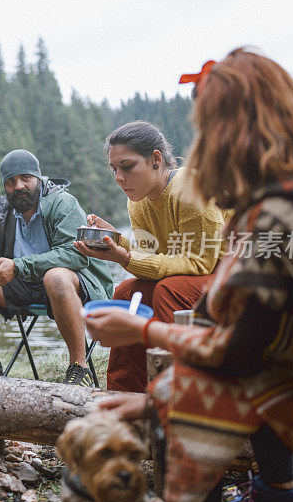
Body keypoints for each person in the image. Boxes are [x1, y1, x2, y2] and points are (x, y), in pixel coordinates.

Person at [85, 48, 293, 502]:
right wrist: (151, 399)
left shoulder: (283, 215)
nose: (203, 146)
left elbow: (244, 347)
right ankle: (275, 495)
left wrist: (145, 335)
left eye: (209, 129)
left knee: (199, 408)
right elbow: (248, 328)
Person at [73, 121, 228, 393]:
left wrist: (124, 258)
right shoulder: (138, 201)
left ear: (156, 159)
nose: (118, 177)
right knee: (125, 292)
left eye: (127, 166)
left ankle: (184, 390)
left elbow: (199, 263)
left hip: (230, 277)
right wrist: (117, 243)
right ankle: (124, 393)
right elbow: (153, 256)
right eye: (114, 169)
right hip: (195, 277)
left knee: (169, 290)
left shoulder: (190, 190)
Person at [0, 149, 114, 386]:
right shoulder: (2, 210)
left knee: (56, 277)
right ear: (5, 186)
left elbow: (76, 255)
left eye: (25, 178)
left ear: (39, 179)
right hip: (24, 284)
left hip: (76, 285)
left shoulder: (63, 203)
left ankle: (79, 369)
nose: (18, 186)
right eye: (11, 181)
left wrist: (18, 267)